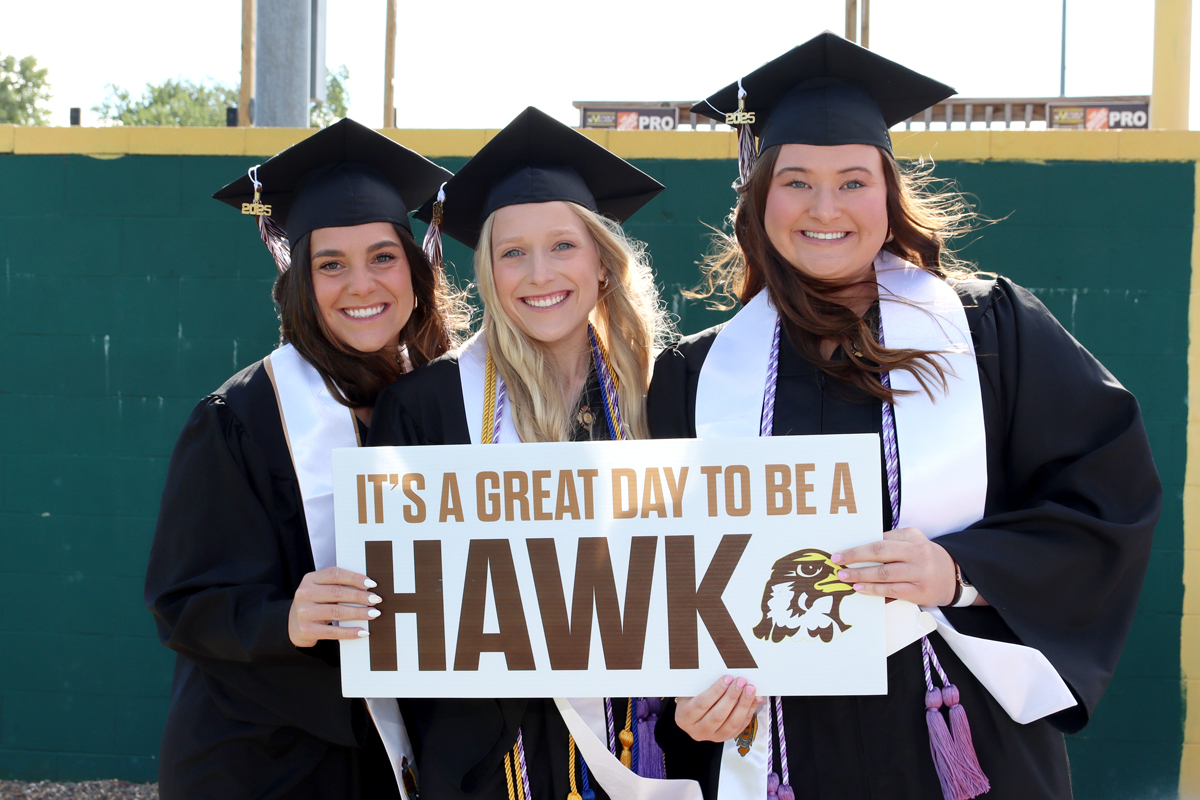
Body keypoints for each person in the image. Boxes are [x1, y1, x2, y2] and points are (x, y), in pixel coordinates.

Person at [646, 33, 1161, 800]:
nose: (826, 209)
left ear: (889, 195)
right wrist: (688, 703)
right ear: (760, 197)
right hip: (786, 746)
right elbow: (666, 569)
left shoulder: (989, 327)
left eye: (853, 181)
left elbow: (1105, 497)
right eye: (796, 182)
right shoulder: (696, 371)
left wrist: (963, 571)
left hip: (958, 730)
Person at [145, 118, 467, 800]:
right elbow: (181, 601)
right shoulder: (238, 419)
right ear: (298, 277)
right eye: (331, 264)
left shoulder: (448, 402)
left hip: (397, 754)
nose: (361, 284)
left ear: (416, 270)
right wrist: (285, 616)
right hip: (263, 760)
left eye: (382, 257)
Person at [368, 107, 681, 800]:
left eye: (563, 246)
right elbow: (402, 611)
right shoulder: (424, 407)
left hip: (643, 735)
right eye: (512, 252)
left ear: (602, 259)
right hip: (490, 755)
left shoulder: (668, 394)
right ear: (487, 270)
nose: (539, 274)